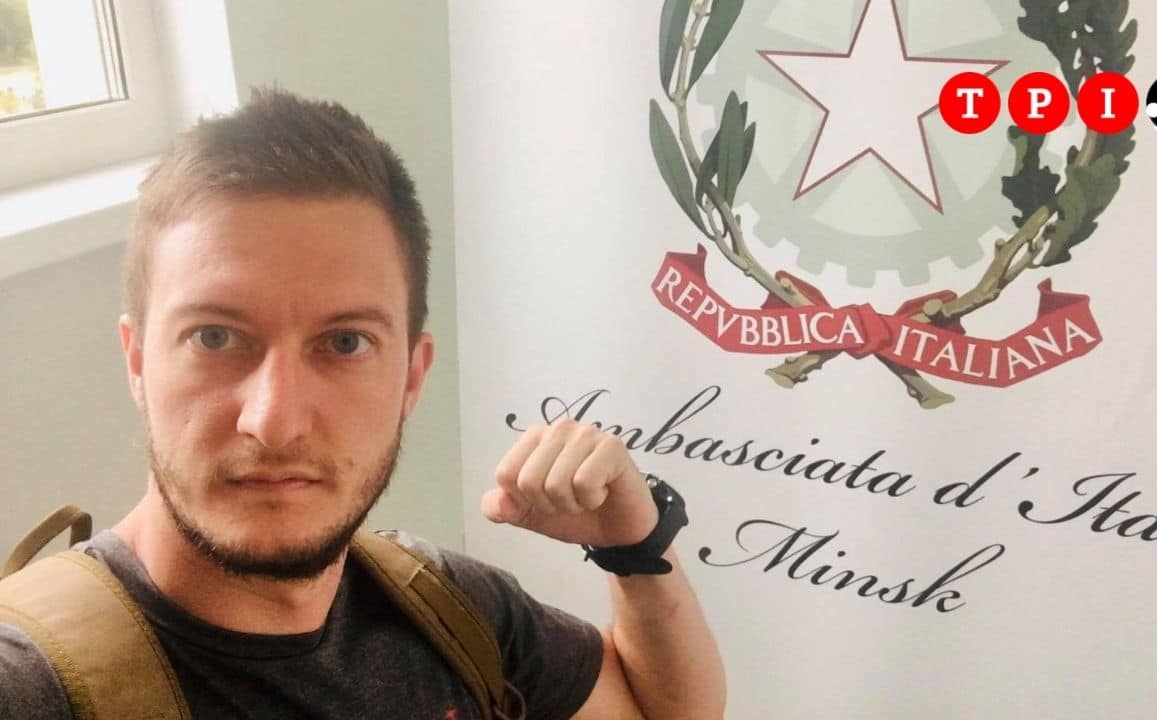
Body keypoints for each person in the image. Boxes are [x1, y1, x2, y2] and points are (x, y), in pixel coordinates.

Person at [0, 89, 726, 719]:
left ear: (412, 377)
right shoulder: (34, 684)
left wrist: (635, 545)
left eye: (344, 343)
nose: (274, 421)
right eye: (215, 337)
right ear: (137, 360)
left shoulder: (449, 608)